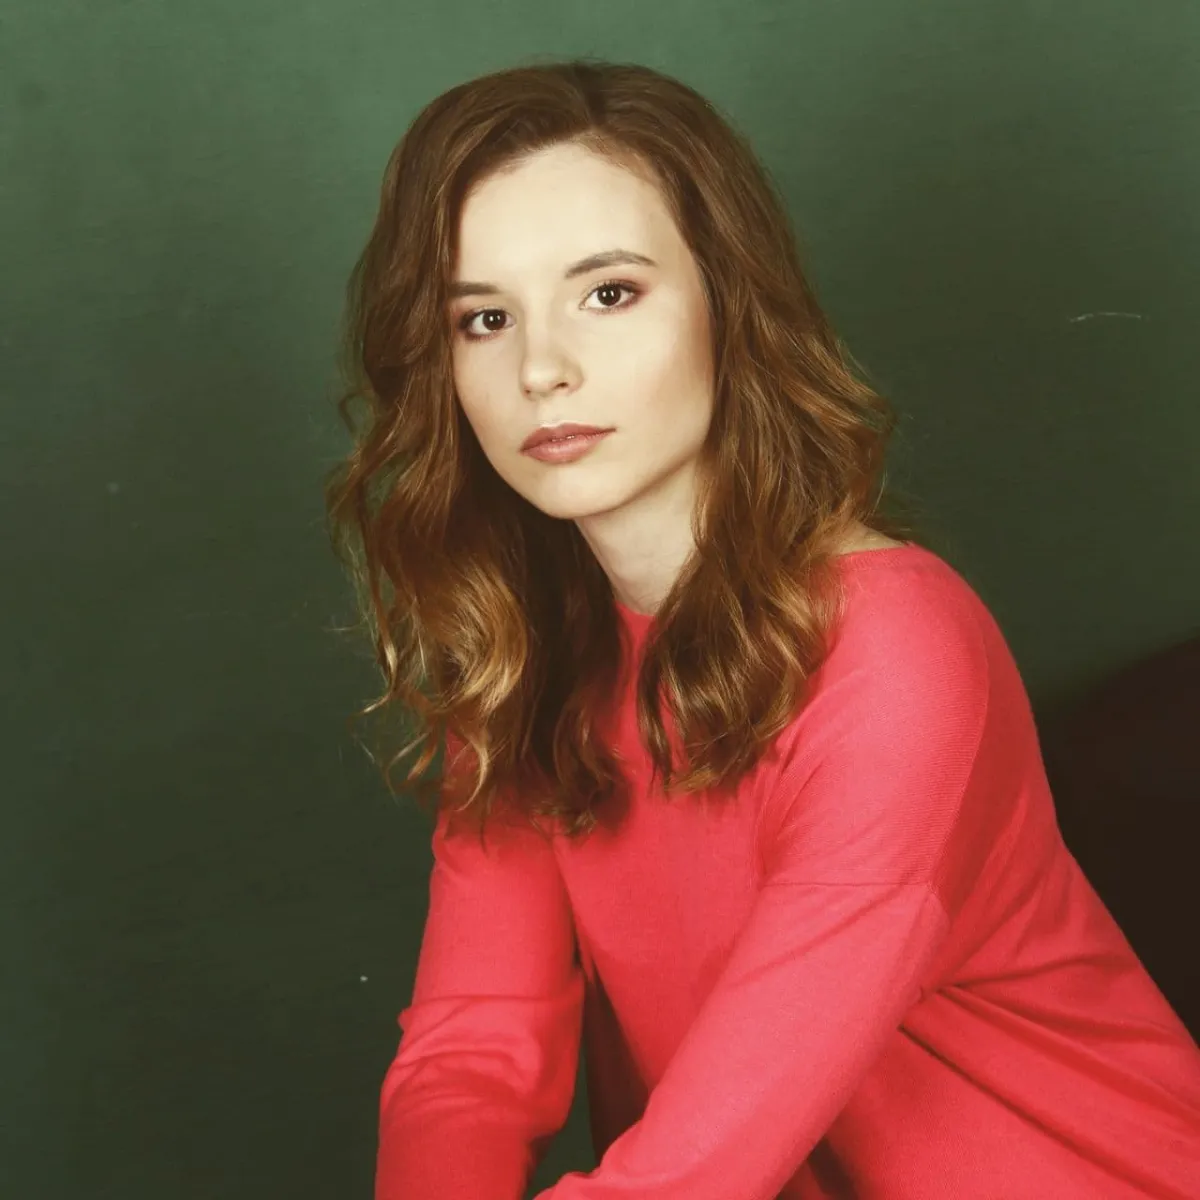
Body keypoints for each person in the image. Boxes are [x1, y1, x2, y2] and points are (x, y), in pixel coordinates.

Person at [324, 57, 1200, 1200]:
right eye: (484, 319)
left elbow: (694, 1172)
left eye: (609, 293)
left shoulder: (894, 649)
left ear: (727, 303)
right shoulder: (527, 660)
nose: (542, 369)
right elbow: (471, 1060)